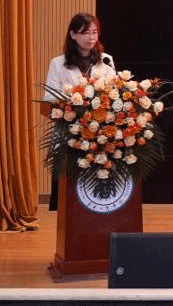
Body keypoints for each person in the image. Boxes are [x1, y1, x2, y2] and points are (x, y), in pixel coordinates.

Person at [44, 13, 117, 211]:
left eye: (94, 32)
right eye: (85, 33)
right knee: (69, 198)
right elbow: (49, 98)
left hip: (99, 136)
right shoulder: (58, 64)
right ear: (73, 34)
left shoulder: (106, 61)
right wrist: (74, 103)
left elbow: (115, 95)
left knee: (94, 196)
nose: (91, 37)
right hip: (69, 135)